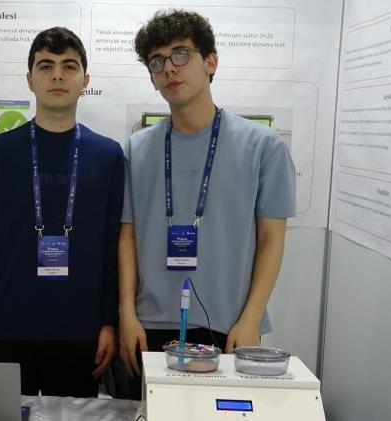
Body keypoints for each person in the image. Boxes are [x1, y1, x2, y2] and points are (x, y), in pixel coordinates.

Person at [118, 9, 296, 397]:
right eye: (157, 61)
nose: (169, 68)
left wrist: (251, 318)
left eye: (181, 54)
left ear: (211, 62)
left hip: (231, 327)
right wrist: (126, 314)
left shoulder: (263, 147)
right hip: (148, 327)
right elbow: (127, 237)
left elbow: (272, 240)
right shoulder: (136, 149)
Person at [0, 27, 124, 398]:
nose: (57, 75)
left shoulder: (108, 155)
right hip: (5, 329)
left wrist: (108, 322)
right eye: (46, 66)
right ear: (30, 79)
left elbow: (112, 247)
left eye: (69, 66)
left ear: (85, 81)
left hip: (80, 331)